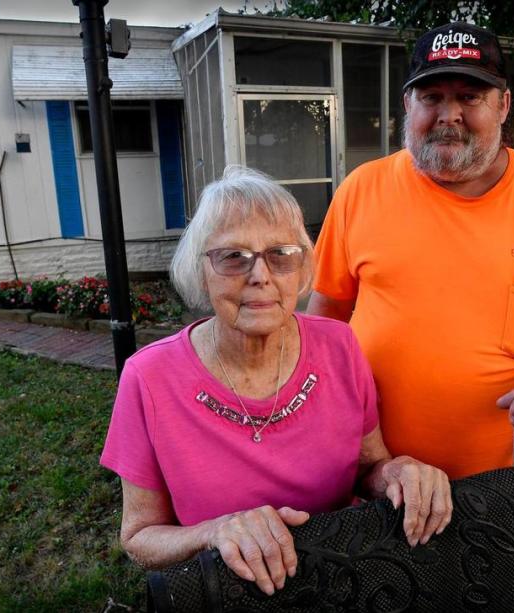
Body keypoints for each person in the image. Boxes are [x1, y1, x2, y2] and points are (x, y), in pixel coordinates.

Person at [308, 23, 514, 479]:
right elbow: (325, 317)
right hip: (375, 478)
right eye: (432, 97)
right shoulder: (361, 190)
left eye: (469, 96)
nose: (449, 114)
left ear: (502, 105)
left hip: (503, 486)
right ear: (408, 104)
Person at [100, 166, 452, 597]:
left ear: (301, 267)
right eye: (233, 257)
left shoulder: (339, 346)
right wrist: (216, 533)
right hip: (229, 596)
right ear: (201, 270)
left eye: (281, 254)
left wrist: (399, 471)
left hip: (341, 583)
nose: (260, 276)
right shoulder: (150, 377)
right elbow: (139, 537)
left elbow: (367, 467)